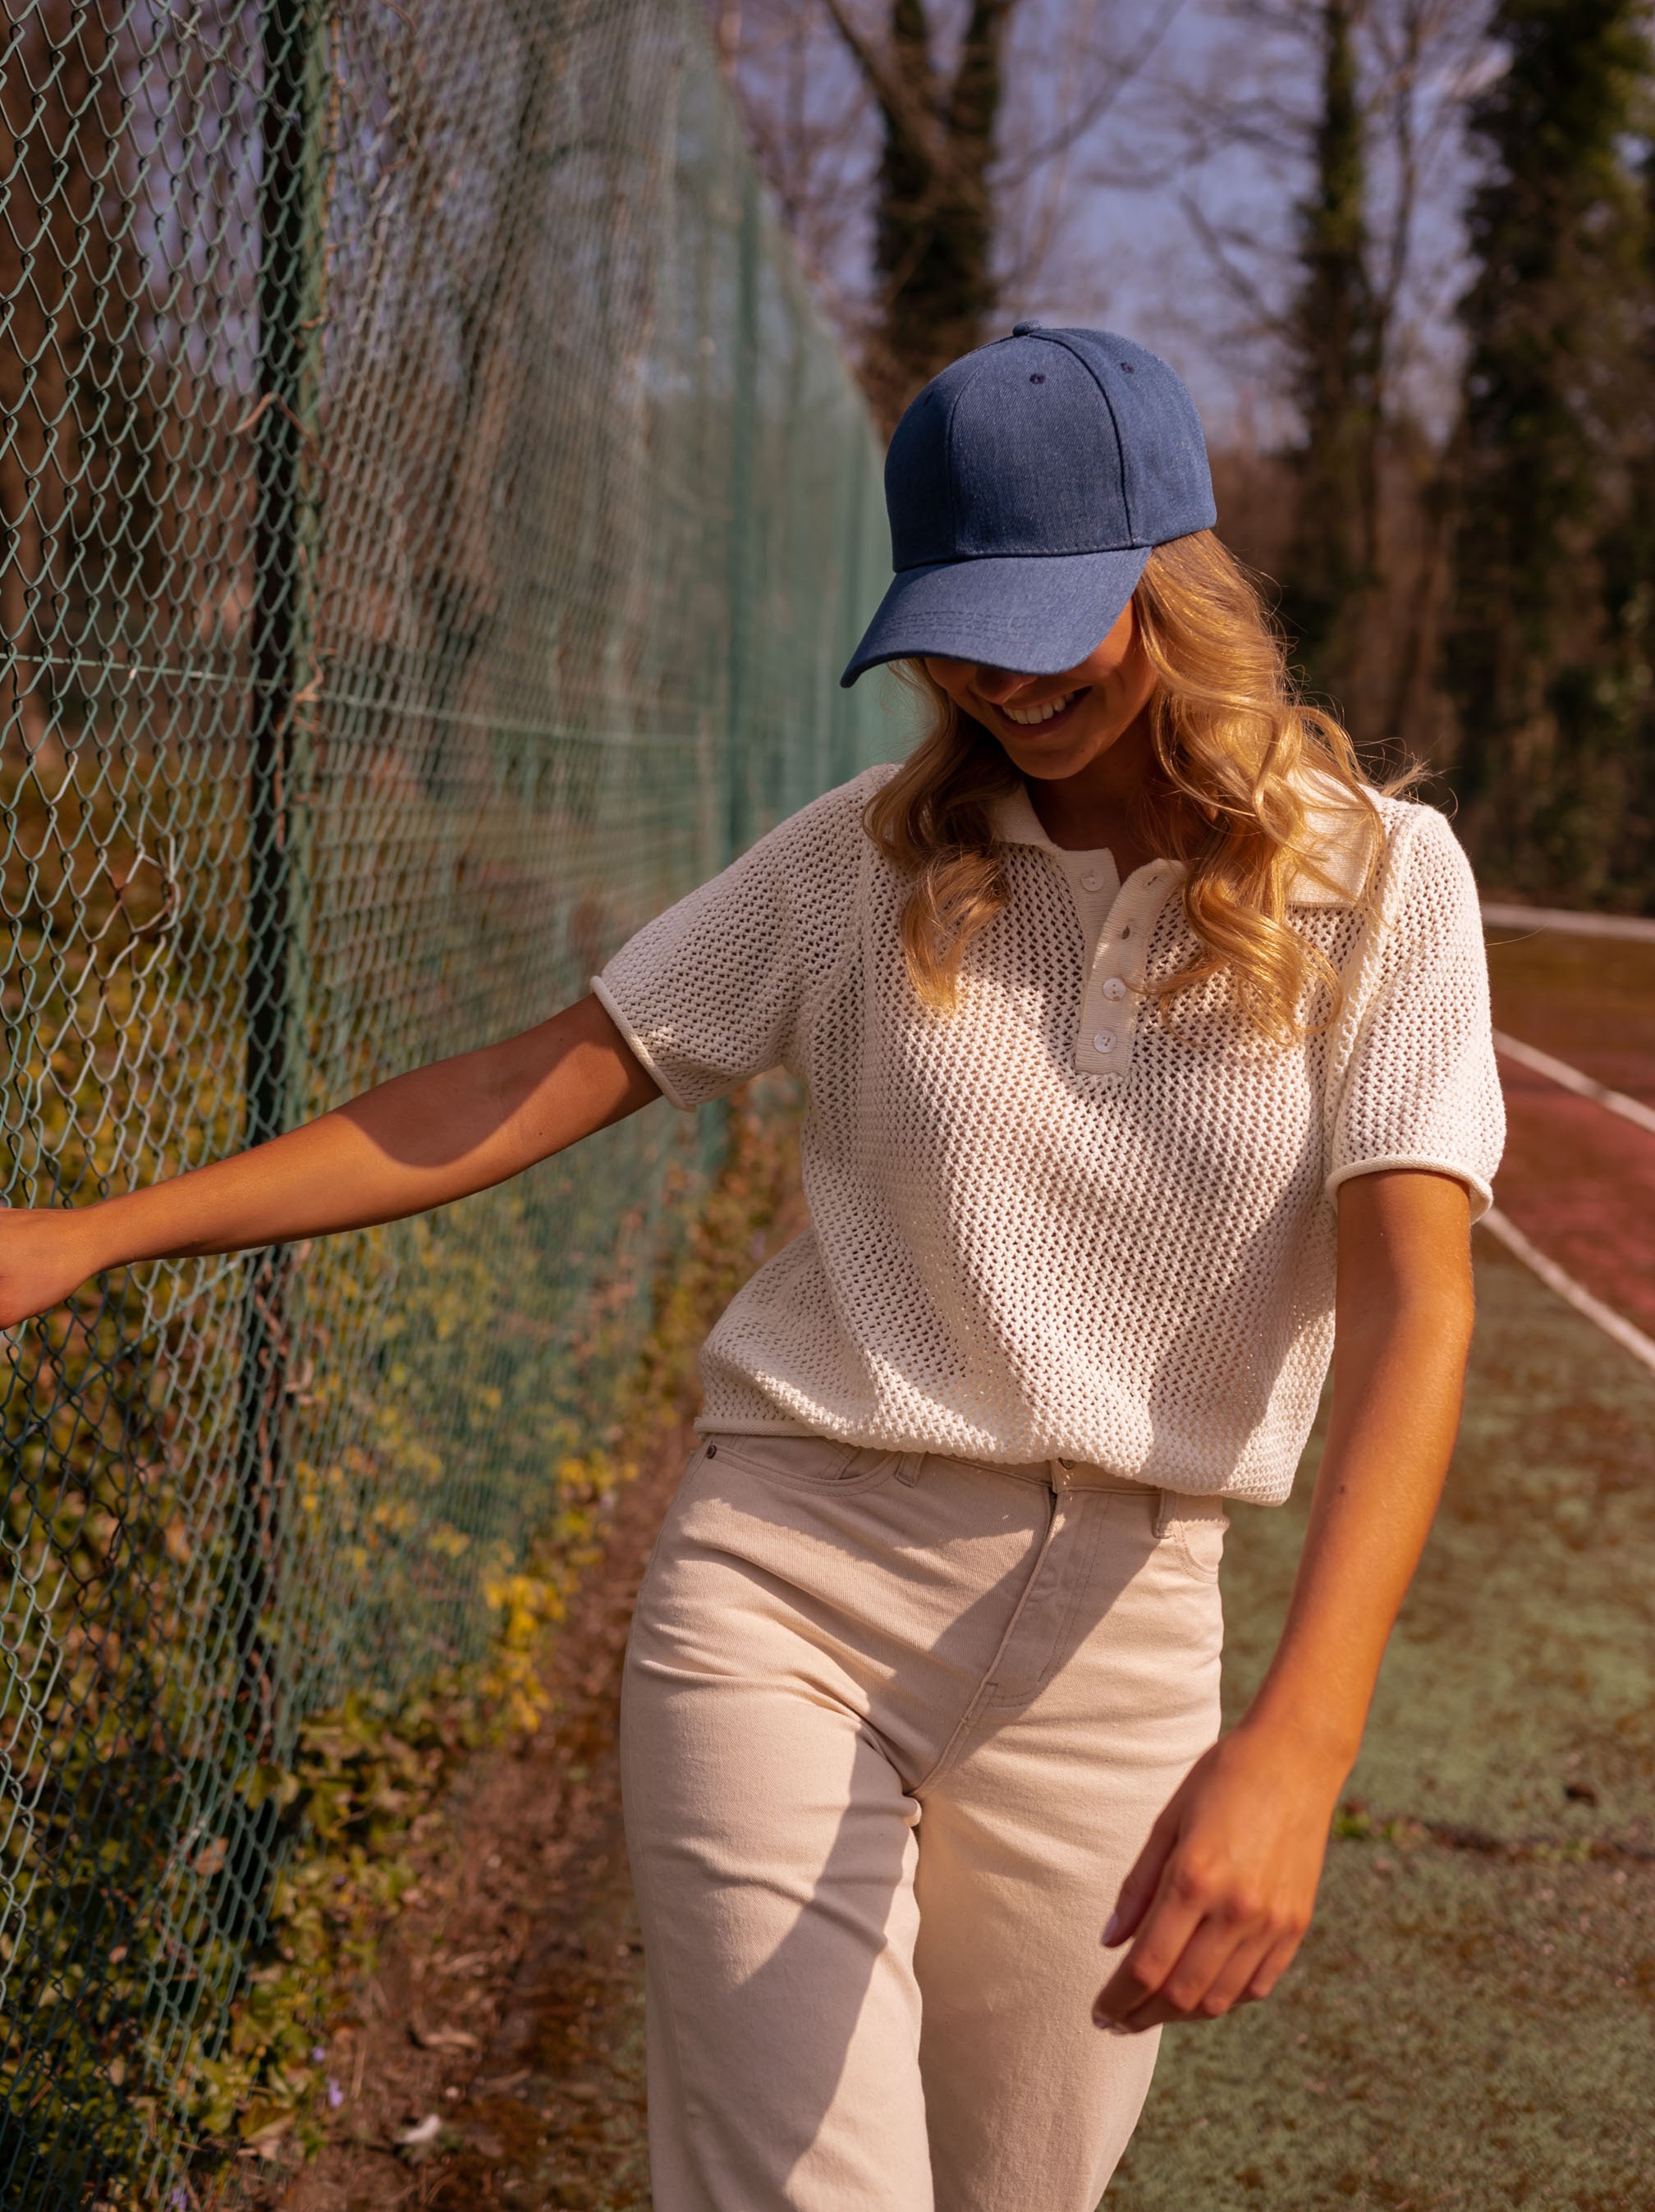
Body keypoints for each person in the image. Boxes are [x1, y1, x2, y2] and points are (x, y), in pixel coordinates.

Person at [0, 323, 1504, 2211]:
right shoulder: (858, 870)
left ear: (1169, 574)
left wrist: (1303, 1738)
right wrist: (94, 1230)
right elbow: (524, 1078)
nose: (994, 671)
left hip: (1122, 1641)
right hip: (786, 1594)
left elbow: (1418, 1310)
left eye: (1049, 613)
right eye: (958, 617)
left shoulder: (1382, 883)